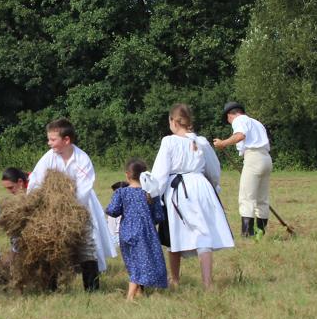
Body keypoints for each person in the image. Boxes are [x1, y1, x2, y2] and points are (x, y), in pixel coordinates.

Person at [140, 104, 234, 290]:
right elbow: (214, 170)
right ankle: (207, 282)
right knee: (203, 233)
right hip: (200, 187)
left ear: (173, 122)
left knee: (174, 232)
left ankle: (175, 279)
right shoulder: (202, 142)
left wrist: (151, 192)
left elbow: (160, 173)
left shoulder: (169, 141)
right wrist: (213, 187)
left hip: (179, 190)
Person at [27, 118, 117, 291]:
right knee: (52, 244)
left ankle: (91, 288)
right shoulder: (48, 159)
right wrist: (39, 204)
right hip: (52, 209)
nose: (49, 143)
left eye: (53, 140)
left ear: (66, 140)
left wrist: (69, 209)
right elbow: (35, 182)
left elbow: (84, 189)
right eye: (49, 139)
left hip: (81, 208)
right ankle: (50, 287)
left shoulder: (82, 159)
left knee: (86, 245)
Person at [105, 159, 168, 300]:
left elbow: (113, 211)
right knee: (143, 261)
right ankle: (131, 296)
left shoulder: (121, 192)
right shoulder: (151, 193)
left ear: (127, 174)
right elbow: (159, 216)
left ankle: (137, 293)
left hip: (126, 231)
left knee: (133, 262)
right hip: (146, 232)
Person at [213, 102, 273, 237]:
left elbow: (240, 135)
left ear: (230, 115)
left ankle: (247, 234)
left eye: (227, 119)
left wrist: (223, 143)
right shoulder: (256, 122)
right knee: (262, 199)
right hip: (266, 158)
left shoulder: (239, 120)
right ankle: (260, 233)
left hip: (253, 158)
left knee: (247, 198)